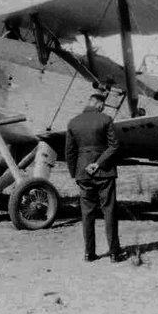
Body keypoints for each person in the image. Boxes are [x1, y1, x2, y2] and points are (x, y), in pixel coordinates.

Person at [65, 92, 124, 263]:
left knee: (87, 214)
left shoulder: (73, 123)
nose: (103, 107)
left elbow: (70, 152)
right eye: (102, 105)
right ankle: (114, 253)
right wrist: (98, 163)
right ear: (98, 104)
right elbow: (114, 146)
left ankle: (89, 254)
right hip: (104, 172)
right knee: (109, 211)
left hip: (83, 174)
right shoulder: (106, 119)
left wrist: (75, 173)